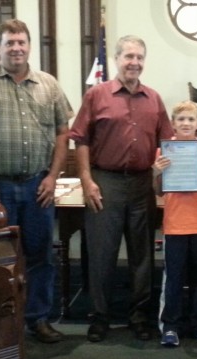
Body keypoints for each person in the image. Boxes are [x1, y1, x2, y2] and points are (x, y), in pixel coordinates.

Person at [0, 19, 73, 344]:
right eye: (10, 43)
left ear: (29, 46)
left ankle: (38, 319)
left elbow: (64, 133)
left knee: (40, 255)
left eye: (21, 42)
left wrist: (53, 176)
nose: (16, 48)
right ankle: (2, 320)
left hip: (39, 187)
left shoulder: (48, 84)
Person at [68, 35, 174, 343]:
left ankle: (140, 316)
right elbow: (81, 139)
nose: (134, 62)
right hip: (106, 182)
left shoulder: (154, 99)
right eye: (129, 56)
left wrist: (167, 179)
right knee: (102, 253)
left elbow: (168, 144)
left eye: (140, 57)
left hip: (142, 183)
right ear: (116, 59)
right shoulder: (97, 95)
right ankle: (100, 316)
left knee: (143, 254)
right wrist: (86, 181)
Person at [152, 101, 197, 347]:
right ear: (173, 123)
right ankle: (170, 326)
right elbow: (158, 190)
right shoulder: (164, 151)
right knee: (174, 277)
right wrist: (156, 172)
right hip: (175, 225)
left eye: (191, 119)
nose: (186, 124)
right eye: (181, 120)